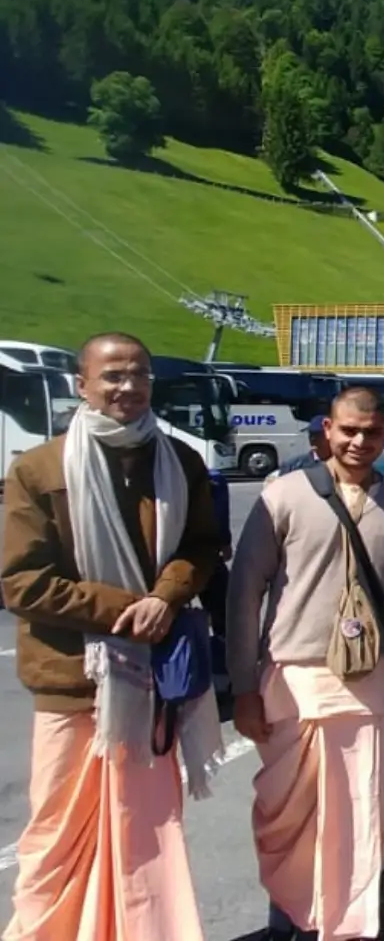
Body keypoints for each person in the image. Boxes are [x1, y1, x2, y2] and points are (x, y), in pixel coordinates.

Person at [1, 332, 223, 941]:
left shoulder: (179, 462)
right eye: (114, 376)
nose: (129, 387)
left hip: (153, 677)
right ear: (83, 386)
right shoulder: (39, 469)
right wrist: (133, 608)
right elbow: (23, 583)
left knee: (146, 828)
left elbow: (204, 547)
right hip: (71, 679)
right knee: (57, 831)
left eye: (140, 374)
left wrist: (166, 596)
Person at [230, 386, 384, 941]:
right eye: (349, 430)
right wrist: (243, 687)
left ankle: (353, 925)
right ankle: (288, 922)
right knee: (294, 818)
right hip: (294, 679)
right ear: (327, 429)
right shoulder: (283, 495)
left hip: (373, 683)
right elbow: (244, 593)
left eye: (372, 432)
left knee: (368, 811)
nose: (359, 441)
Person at [268, 413, 331, 481]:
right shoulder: (293, 465)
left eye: (318, 435)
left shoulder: (337, 463)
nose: (312, 439)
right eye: (311, 434)